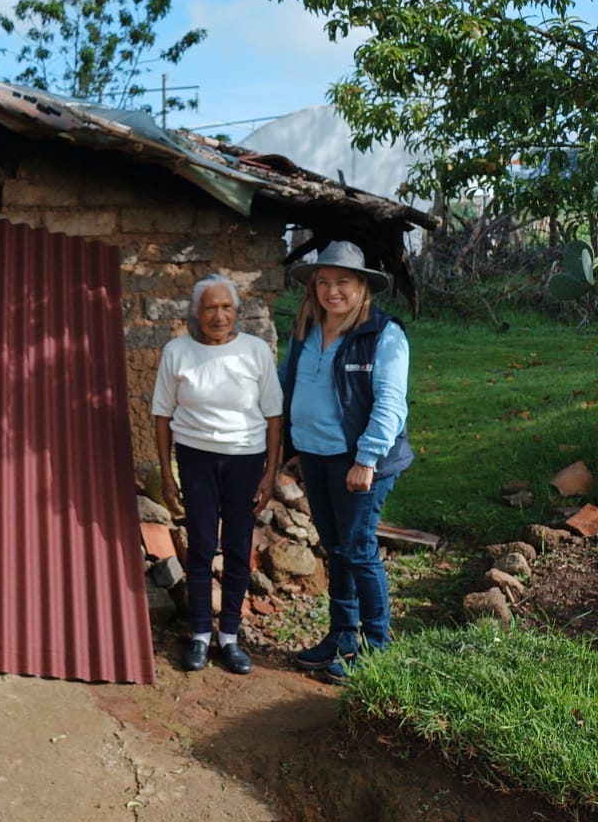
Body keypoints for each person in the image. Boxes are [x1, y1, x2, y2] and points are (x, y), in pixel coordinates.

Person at [279, 240, 412, 684]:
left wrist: (366, 458)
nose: (331, 291)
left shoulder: (382, 336)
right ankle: (341, 638)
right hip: (315, 458)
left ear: (362, 287)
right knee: (335, 548)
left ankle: (377, 650)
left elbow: (391, 404)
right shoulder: (307, 332)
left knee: (357, 549)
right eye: (323, 282)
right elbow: (282, 387)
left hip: (358, 463)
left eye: (342, 282)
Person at [151, 274, 282, 675]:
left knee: (239, 547)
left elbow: (274, 416)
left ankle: (230, 636)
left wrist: (269, 474)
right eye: (210, 307)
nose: (219, 315)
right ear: (196, 312)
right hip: (195, 459)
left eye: (226, 307)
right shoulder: (177, 351)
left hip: (245, 460)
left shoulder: (256, 352)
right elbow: (162, 416)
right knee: (203, 545)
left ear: (237, 312)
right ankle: (200, 636)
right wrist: (167, 474)